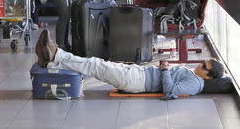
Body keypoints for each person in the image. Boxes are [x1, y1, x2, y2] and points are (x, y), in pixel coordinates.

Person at [35, 30, 225, 99]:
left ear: (208, 76)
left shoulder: (195, 85)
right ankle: (53, 57)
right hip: (139, 74)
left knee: (94, 65)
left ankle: (55, 55)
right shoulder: (195, 76)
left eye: (204, 67)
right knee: (97, 63)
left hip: (137, 82)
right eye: (202, 62)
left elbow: (170, 91)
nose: (199, 65)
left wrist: (165, 70)